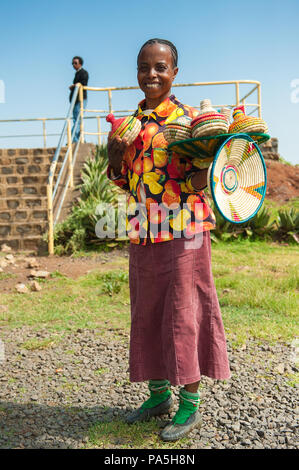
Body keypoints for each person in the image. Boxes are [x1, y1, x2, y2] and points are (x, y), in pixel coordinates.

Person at [106, 38, 230, 442]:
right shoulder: (130, 125)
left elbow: (216, 169)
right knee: (148, 311)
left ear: (175, 72)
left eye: (160, 67)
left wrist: (202, 178)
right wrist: (113, 155)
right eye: (144, 67)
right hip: (144, 229)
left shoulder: (191, 120)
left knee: (184, 312)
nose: (151, 74)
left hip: (185, 231)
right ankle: (158, 396)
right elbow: (123, 180)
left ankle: (189, 405)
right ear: (137, 72)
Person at [69, 56, 89, 142]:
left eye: (75, 63)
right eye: (72, 63)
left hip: (80, 99)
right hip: (76, 100)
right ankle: (79, 139)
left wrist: (74, 86)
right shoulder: (77, 73)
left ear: (80, 64)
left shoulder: (83, 72)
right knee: (76, 119)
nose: (73, 65)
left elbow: (84, 83)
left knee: (77, 119)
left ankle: (74, 139)